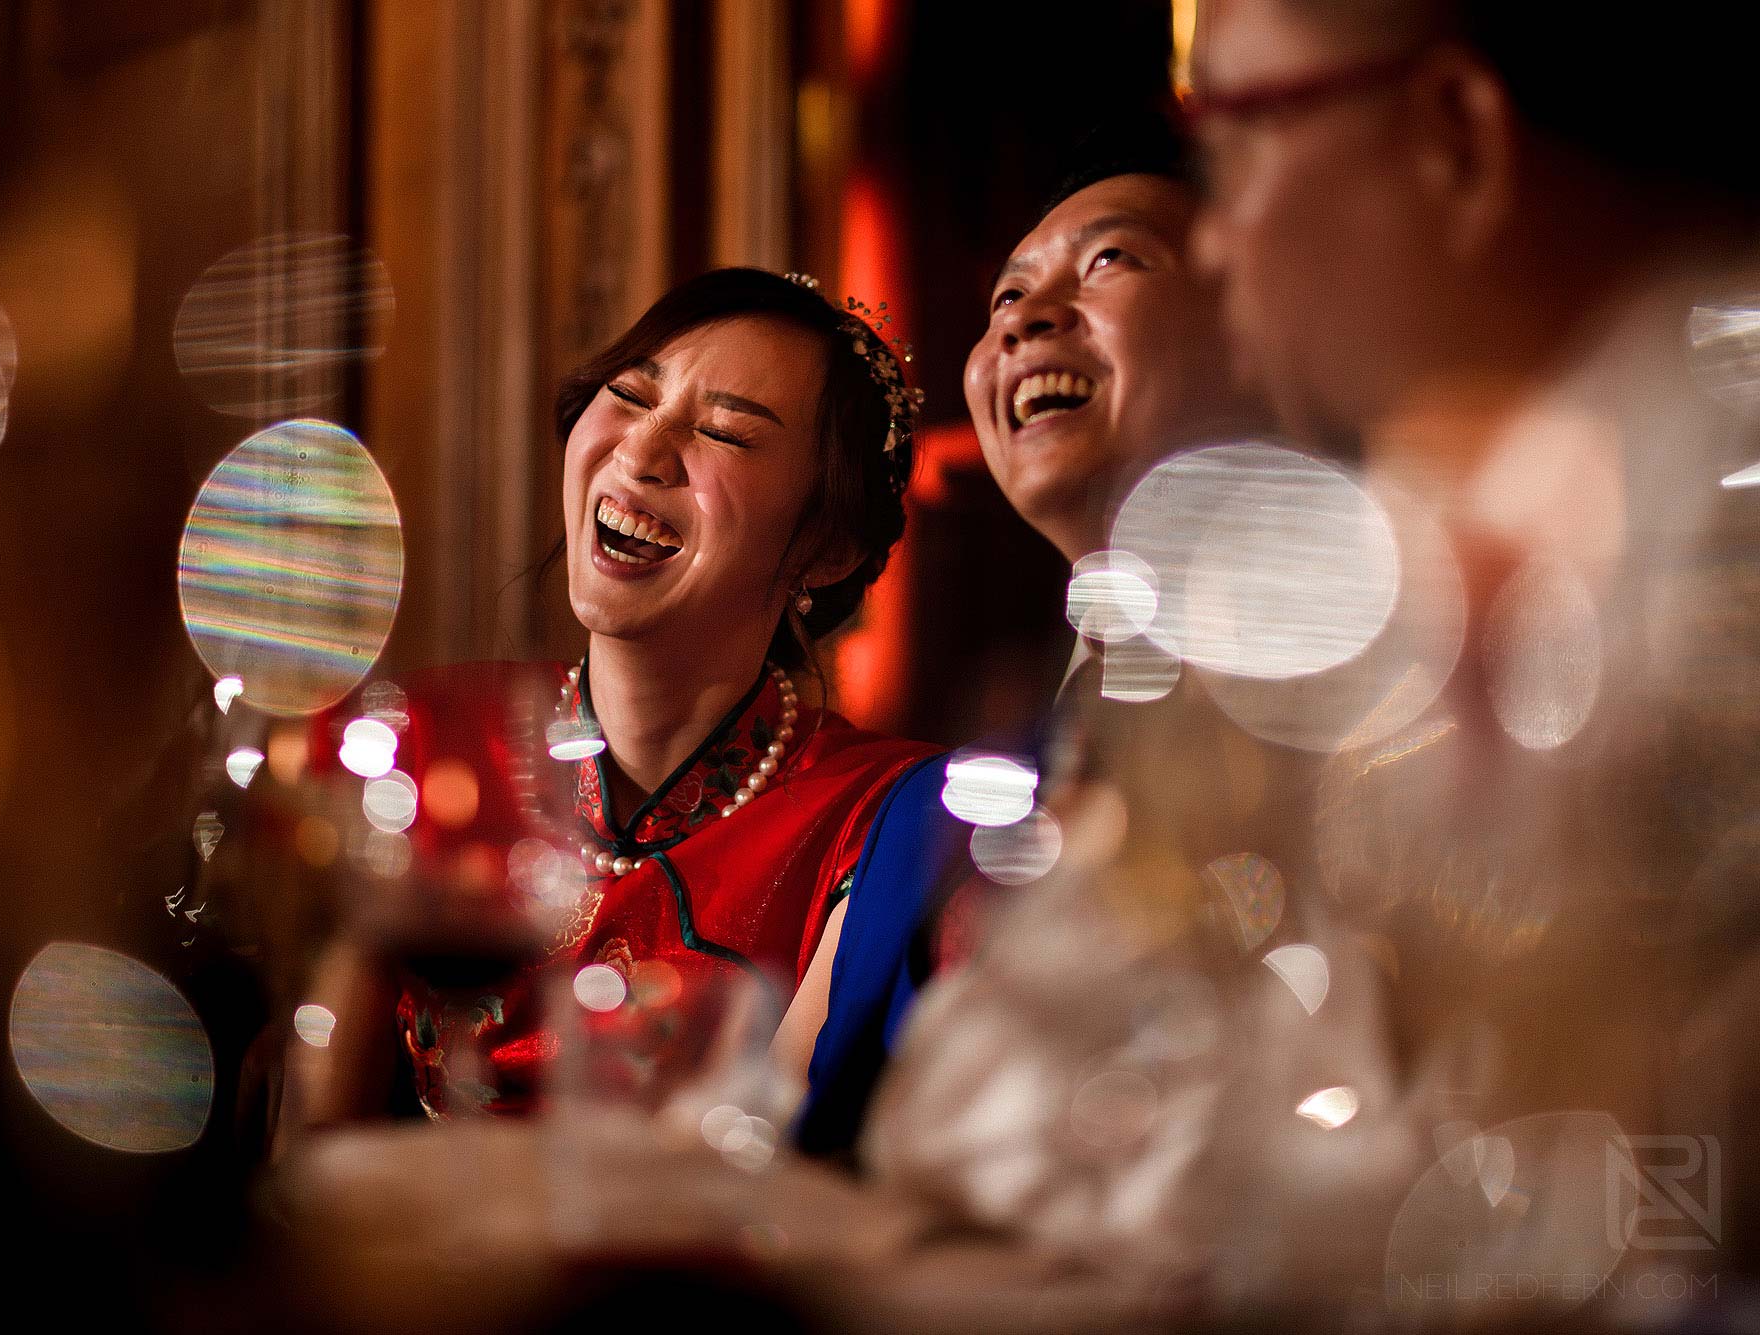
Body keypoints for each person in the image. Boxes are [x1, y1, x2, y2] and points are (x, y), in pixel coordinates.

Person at [859, 0, 1760, 1319]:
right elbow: (968, 1103)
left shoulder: (1707, 532)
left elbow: (1619, 1202)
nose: (1219, 241)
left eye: (1234, 145)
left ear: (1455, 135)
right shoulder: (1390, 582)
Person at [281, 267, 939, 1131]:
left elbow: (768, 1175)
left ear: (827, 548)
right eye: (628, 394)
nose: (640, 452)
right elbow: (312, 1145)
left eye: (726, 433)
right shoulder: (435, 756)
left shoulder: (879, 821)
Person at [788, 90, 1265, 1154]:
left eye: (1107, 264)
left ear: (1260, 323)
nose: (1023, 319)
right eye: (1006, 293)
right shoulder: (933, 818)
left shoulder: (1377, 726)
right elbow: (769, 1137)